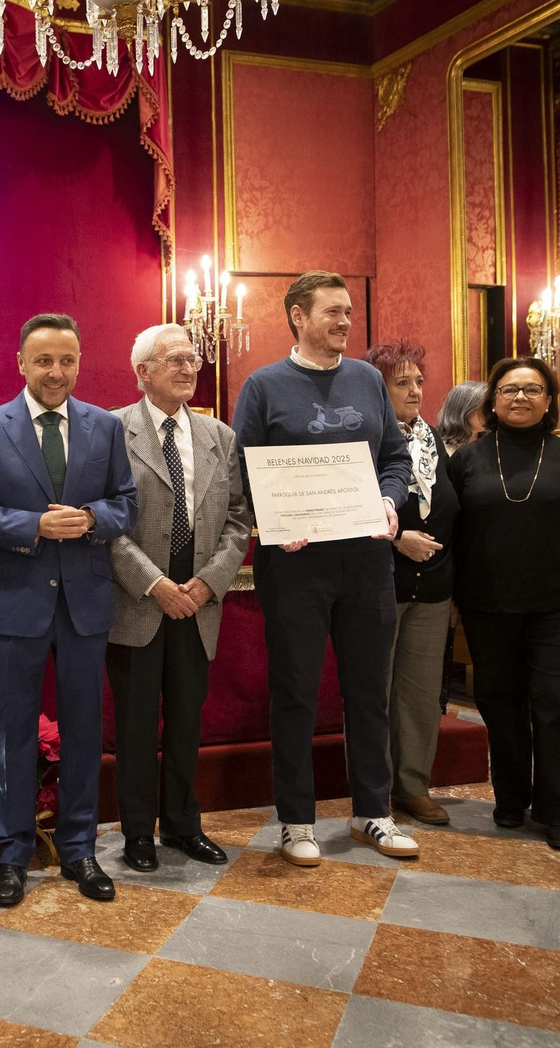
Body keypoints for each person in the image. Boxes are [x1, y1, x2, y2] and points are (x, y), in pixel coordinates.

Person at [232, 270, 419, 869]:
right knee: (296, 694)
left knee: (369, 691)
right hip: (295, 565)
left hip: (366, 562)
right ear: (297, 316)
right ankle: (296, 821)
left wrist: (390, 502)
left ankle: (372, 812)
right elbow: (244, 471)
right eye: (332, 312)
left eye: (347, 312)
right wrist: (276, 521)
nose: (344, 322)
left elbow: (393, 457)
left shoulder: (367, 380)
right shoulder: (263, 387)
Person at [0, 313, 137, 906]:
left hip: (84, 602)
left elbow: (126, 504)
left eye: (66, 362)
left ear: (78, 364)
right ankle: (13, 850)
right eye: (44, 361)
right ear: (21, 364)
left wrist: (90, 520)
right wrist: (32, 524)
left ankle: (80, 850)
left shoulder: (105, 427)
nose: (56, 373)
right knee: (13, 735)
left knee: (85, 731)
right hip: (18, 603)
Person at [449, 356, 560, 851]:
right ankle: (510, 798)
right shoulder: (467, 461)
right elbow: (452, 534)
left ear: (549, 401)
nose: (520, 397)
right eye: (509, 389)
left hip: (558, 606)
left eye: (532, 389)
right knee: (499, 705)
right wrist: (452, 597)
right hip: (486, 605)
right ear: (492, 402)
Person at [107, 325, 250, 872]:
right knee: (138, 725)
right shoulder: (111, 430)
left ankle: (184, 826)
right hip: (140, 601)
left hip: (199, 603)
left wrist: (209, 582)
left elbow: (239, 520)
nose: (189, 368)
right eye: (174, 360)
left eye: (193, 359)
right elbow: (106, 524)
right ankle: (138, 834)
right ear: (142, 371)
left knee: (187, 721)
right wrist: (155, 584)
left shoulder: (220, 435)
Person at [366, 339, 459, 826]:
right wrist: (398, 539)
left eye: (419, 380)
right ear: (377, 390)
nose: (416, 390)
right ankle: (374, 792)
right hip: (381, 582)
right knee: (375, 692)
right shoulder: (365, 442)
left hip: (433, 589)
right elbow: (348, 509)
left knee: (421, 694)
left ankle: (413, 786)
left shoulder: (433, 441)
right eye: (402, 382)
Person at [436, 380, 488, 456]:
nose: (489, 413)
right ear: (463, 410)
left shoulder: (490, 444)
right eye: (483, 408)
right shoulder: (437, 448)